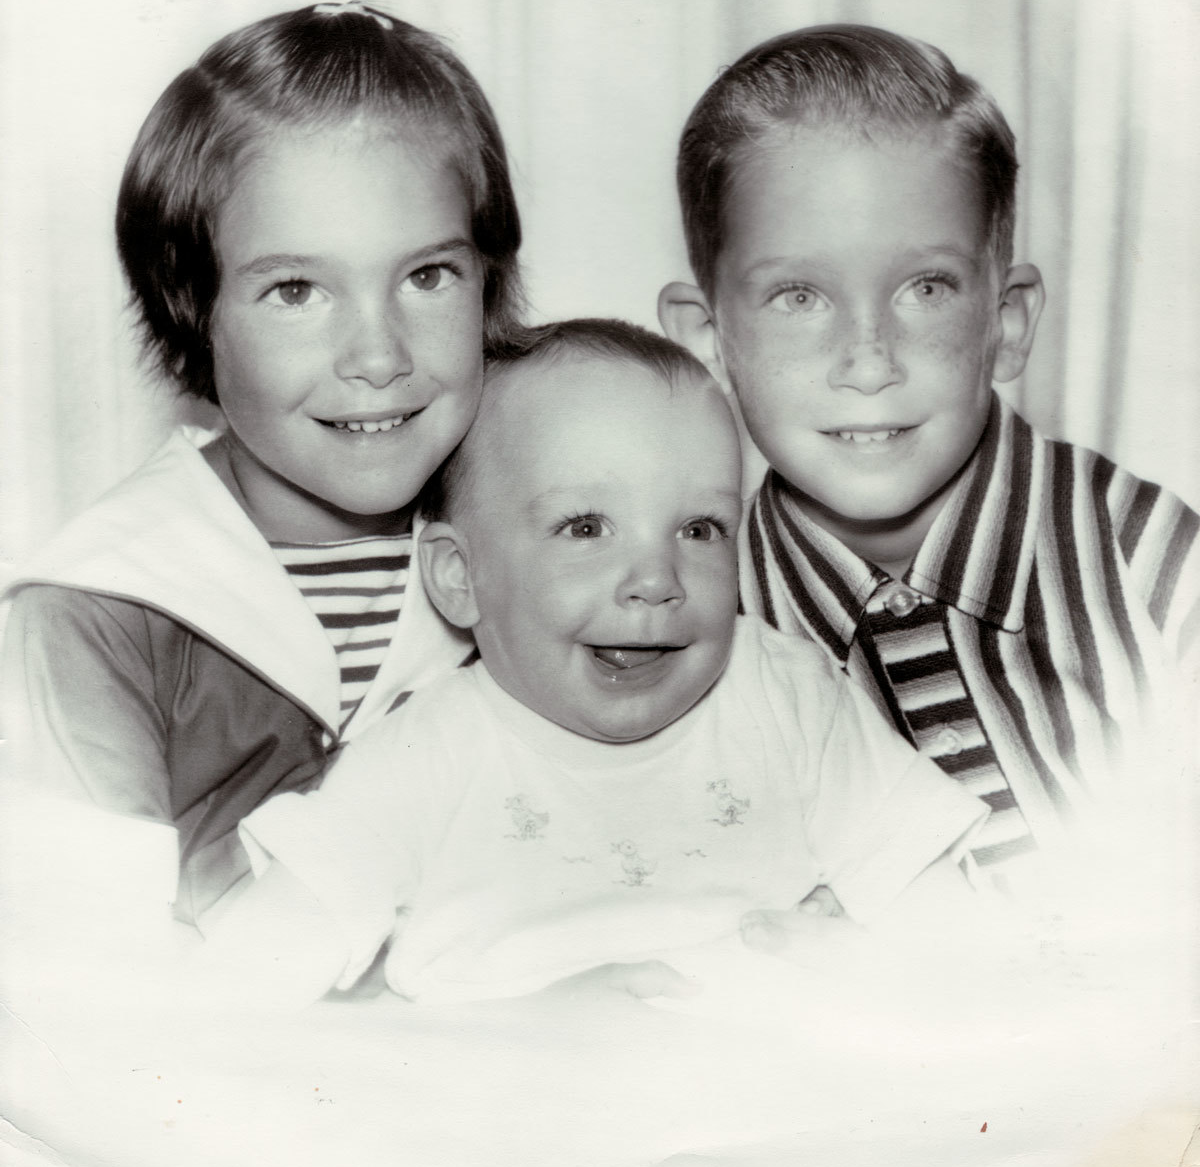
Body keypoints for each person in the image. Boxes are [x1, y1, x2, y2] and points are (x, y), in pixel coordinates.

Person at [196, 319, 986, 1010]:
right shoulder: (420, 762)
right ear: (461, 577)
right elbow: (235, 993)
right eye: (584, 528)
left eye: (700, 529)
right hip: (514, 1104)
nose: (656, 579)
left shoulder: (788, 698)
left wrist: (883, 975)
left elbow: (956, 936)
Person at [0, 0, 523, 930]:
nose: (378, 356)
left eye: (427, 276)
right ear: (191, 309)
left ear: (487, 281)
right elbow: (93, 970)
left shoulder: (539, 541)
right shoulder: (92, 616)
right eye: (296, 290)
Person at [659, 23, 1199, 883]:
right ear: (706, 341)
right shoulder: (689, 634)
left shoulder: (1156, 565)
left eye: (925, 288)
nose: (869, 361)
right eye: (798, 296)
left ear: (1007, 323)